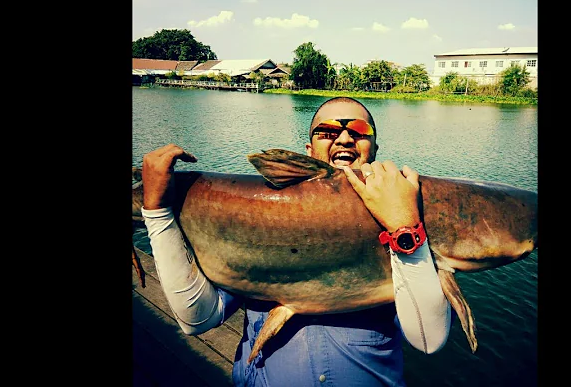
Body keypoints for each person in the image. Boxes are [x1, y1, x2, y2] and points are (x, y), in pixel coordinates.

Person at [140, 96, 452, 386]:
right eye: (327, 131)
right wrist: (156, 211)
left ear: (375, 147)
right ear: (308, 148)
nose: (344, 138)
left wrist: (404, 228)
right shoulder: (260, 212)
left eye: (359, 130)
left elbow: (429, 340)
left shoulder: (410, 213)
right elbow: (198, 318)